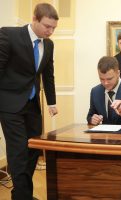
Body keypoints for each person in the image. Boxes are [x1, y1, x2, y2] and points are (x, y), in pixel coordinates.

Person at [0, 3, 59, 200]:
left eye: (53, 28)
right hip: (10, 106)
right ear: (34, 19)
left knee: (33, 150)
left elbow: (48, 75)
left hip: (33, 106)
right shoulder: (9, 35)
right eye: (47, 26)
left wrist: (51, 102)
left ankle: (21, 194)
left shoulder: (49, 44)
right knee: (18, 153)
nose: (50, 31)